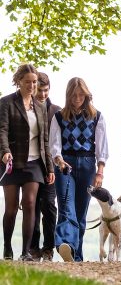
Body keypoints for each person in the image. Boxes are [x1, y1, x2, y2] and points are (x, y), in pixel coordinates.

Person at [49, 77, 108, 262]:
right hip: (65, 164)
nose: (77, 98)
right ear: (68, 96)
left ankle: (77, 255)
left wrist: (100, 172)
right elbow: (54, 144)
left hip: (88, 164)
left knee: (81, 213)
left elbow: (102, 148)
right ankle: (65, 244)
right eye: (73, 95)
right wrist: (58, 161)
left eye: (81, 95)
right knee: (67, 208)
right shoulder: (59, 116)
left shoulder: (97, 116)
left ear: (86, 95)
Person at [0, 64, 55, 261]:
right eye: (28, 82)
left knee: (30, 203)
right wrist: (5, 152)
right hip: (13, 162)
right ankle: (7, 246)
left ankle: (25, 252)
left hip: (34, 163)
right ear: (19, 82)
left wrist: (49, 168)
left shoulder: (40, 107)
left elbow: (45, 140)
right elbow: (2, 131)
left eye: (34, 82)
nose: (32, 86)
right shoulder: (6, 102)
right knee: (12, 207)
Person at [30, 72, 61, 262]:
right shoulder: (27, 109)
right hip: (31, 165)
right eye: (40, 90)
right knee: (31, 207)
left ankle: (48, 248)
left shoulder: (57, 111)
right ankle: (33, 249)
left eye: (46, 90)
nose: (43, 94)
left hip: (50, 168)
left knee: (49, 206)